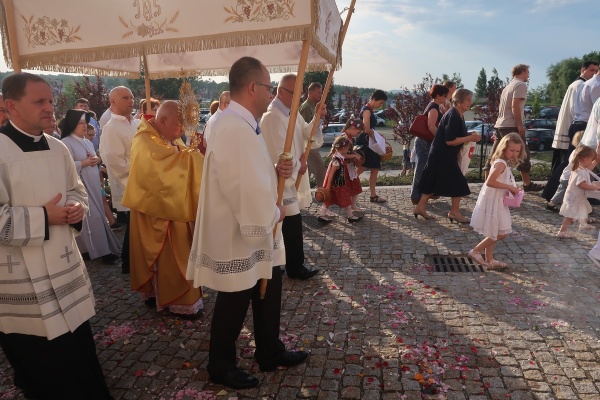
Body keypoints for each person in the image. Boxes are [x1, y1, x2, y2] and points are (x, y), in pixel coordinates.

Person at [186, 56, 307, 390]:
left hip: (250, 228)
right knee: (235, 297)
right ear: (253, 87)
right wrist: (273, 213)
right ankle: (220, 366)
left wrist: (274, 170)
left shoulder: (243, 123)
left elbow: (252, 171)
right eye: (269, 87)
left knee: (269, 287)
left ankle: (269, 351)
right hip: (238, 230)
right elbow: (240, 184)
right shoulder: (233, 126)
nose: (271, 94)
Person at [0, 72, 112, 399]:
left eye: (50, 100)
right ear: (12, 106)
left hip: (64, 271)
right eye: (39, 102)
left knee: (78, 350)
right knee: (45, 368)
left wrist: (77, 208)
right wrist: (42, 217)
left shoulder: (58, 147)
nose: (50, 107)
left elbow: (76, 190)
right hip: (23, 279)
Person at [121, 101, 204, 318]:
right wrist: (194, 155)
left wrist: (194, 150)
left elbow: (179, 153)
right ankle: (177, 299)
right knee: (171, 254)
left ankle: (164, 295)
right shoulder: (144, 140)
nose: (181, 130)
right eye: (179, 124)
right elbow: (163, 169)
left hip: (169, 204)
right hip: (158, 210)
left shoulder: (166, 135)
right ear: (163, 119)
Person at [261, 74, 323, 280]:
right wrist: (299, 164)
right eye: (294, 93)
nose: (298, 97)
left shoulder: (291, 112)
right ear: (280, 92)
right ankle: (292, 267)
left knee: (289, 224)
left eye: (300, 93)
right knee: (289, 223)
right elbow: (279, 153)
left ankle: (288, 264)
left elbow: (307, 133)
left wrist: (317, 117)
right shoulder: (272, 117)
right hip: (279, 181)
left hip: (291, 176)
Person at [60, 109, 121, 265]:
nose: (84, 126)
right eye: (80, 123)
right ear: (72, 124)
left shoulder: (87, 141)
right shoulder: (66, 143)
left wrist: (96, 160)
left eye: (85, 123)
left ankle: (88, 250)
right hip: (81, 186)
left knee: (96, 215)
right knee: (93, 217)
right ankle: (103, 252)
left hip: (93, 184)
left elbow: (94, 158)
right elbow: (64, 166)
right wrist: (85, 163)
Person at [413, 89, 481, 222]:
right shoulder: (454, 115)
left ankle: (420, 207)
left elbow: (455, 136)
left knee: (431, 180)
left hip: (442, 153)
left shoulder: (457, 114)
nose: (470, 102)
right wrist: (470, 138)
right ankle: (454, 212)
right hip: (443, 154)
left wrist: (468, 135)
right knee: (458, 182)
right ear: (459, 102)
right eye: (468, 100)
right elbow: (449, 140)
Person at [469, 133, 525, 270]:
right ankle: (476, 251)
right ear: (503, 148)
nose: (514, 154)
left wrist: (512, 188)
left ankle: (490, 259)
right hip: (495, 201)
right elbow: (490, 181)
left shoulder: (502, 162)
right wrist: (509, 187)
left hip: (497, 200)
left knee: (493, 231)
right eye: (511, 150)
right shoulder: (501, 163)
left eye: (517, 151)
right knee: (502, 232)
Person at [485, 64, 543, 192]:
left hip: (500, 124)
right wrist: (520, 124)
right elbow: (515, 106)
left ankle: (487, 183)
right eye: (527, 72)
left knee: (495, 154)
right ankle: (527, 183)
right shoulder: (521, 85)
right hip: (511, 125)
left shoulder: (508, 86)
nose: (528, 75)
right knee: (523, 153)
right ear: (522, 71)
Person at [98, 86, 136, 274]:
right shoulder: (111, 128)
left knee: (137, 226)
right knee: (134, 224)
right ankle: (128, 263)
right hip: (130, 183)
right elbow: (114, 161)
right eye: (125, 97)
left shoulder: (137, 123)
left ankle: (132, 262)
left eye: (131, 97)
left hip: (145, 181)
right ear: (113, 101)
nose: (131, 100)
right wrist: (143, 167)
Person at [551, 61, 599, 171]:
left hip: (575, 124)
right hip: (581, 125)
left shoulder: (582, 84)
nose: (594, 73)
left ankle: (556, 185)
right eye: (592, 70)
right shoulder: (582, 85)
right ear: (583, 70)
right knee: (575, 161)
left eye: (596, 71)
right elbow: (590, 109)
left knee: (571, 160)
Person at [317, 118, 365, 222]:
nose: (358, 134)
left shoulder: (339, 158)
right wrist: (328, 186)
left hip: (339, 182)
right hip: (338, 182)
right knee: (340, 198)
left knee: (341, 198)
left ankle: (347, 215)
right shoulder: (337, 160)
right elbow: (331, 174)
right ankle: (348, 215)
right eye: (358, 131)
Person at [410, 84, 449, 205]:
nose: (446, 98)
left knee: (425, 167)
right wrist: (440, 138)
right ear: (438, 95)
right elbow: (431, 126)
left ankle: (424, 192)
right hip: (425, 141)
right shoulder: (434, 107)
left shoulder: (435, 106)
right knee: (421, 167)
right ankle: (416, 194)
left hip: (425, 140)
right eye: (444, 95)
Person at [556, 145, 599, 238]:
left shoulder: (578, 167)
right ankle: (562, 231)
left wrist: (595, 161)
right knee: (569, 215)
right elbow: (581, 184)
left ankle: (582, 224)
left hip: (576, 195)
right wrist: (595, 188)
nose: (591, 162)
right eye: (591, 160)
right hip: (575, 196)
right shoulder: (581, 171)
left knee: (583, 209)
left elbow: (588, 169)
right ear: (586, 159)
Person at [355, 90, 389, 203]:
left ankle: (346, 187)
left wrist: (378, 135)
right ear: (374, 99)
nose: (381, 105)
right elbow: (367, 129)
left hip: (368, 143)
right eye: (380, 102)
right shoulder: (367, 111)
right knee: (370, 167)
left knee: (365, 168)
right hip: (368, 144)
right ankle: (372, 195)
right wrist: (378, 137)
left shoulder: (368, 110)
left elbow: (369, 129)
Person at [546, 131, 585, 212]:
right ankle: (552, 203)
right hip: (569, 176)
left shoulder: (574, 151)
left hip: (565, 174)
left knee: (562, 190)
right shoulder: (579, 152)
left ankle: (556, 203)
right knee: (564, 191)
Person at [299, 82, 327, 188]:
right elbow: (307, 130)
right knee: (320, 169)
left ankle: (301, 191)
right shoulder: (306, 107)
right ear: (310, 92)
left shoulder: (312, 106)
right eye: (319, 93)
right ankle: (322, 192)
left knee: (306, 172)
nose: (320, 96)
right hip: (309, 145)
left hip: (311, 143)